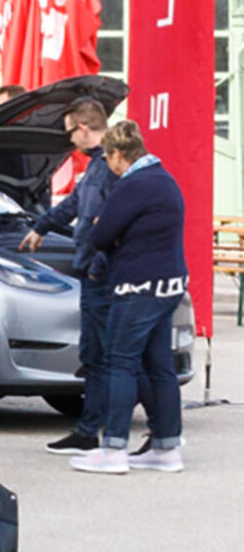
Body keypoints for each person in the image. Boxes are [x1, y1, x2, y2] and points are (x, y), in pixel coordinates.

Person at [71, 121, 188, 475]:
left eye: (108, 159)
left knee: (120, 362)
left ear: (118, 155)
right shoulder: (165, 180)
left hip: (136, 287)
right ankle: (167, 448)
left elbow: (100, 235)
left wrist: (103, 230)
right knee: (160, 367)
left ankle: (114, 450)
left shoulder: (131, 186)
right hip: (169, 285)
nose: (108, 165)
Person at [22, 98, 123, 455]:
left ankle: (97, 432)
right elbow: (73, 205)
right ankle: (96, 430)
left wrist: (96, 268)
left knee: (102, 356)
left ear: (83, 128)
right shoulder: (99, 166)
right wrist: (40, 227)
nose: (69, 141)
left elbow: (112, 223)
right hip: (94, 273)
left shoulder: (110, 166)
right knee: (97, 354)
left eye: (69, 133)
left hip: (101, 277)